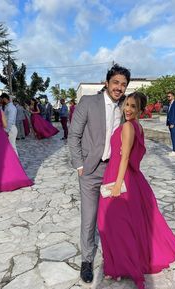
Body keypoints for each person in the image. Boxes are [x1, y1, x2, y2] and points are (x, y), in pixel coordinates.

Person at [97, 92, 175, 289]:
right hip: (129, 177)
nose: (128, 109)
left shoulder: (128, 126)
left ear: (140, 110)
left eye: (133, 106)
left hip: (121, 177)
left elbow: (126, 156)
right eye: (126, 104)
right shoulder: (137, 126)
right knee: (125, 223)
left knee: (113, 223)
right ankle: (120, 263)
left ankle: (121, 265)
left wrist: (118, 185)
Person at [68, 64, 131, 284]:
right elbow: (73, 136)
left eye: (123, 85)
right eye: (116, 82)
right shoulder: (88, 102)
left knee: (112, 217)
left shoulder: (124, 106)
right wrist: (79, 165)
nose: (119, 87)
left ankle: (113, 257)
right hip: (90, 170)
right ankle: (87, 260)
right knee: (89, 217)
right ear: (107, 82)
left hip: (112, 170)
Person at [0, 108, 33, 191]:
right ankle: (13, 178)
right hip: (0, 134)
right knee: (7, 157)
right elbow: (5, 125)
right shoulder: (0, 111)